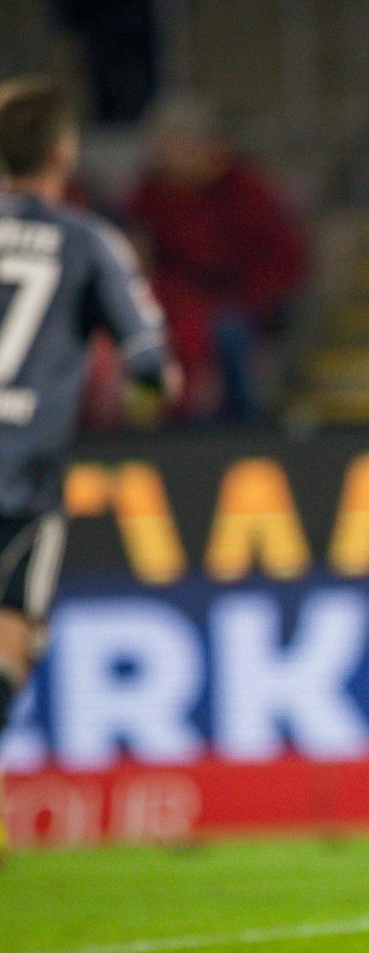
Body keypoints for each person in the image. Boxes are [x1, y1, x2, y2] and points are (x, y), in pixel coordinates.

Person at [0, 77, 178, 854]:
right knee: (10, 637)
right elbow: (152, 369)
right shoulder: (87, 240)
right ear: (66, 152)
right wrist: (144, 403)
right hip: (22, 473)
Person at [125, 94, 308, 422]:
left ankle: (240, 430)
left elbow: (286, 263)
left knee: (228, 334)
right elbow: (139, 260)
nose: (165, 158)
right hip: (172, 307)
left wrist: (243, 301)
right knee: (139, 340)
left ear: (201, 147)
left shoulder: (248, 192)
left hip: (236, 307)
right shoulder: (148, 195)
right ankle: (143, 426)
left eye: (173, 148)